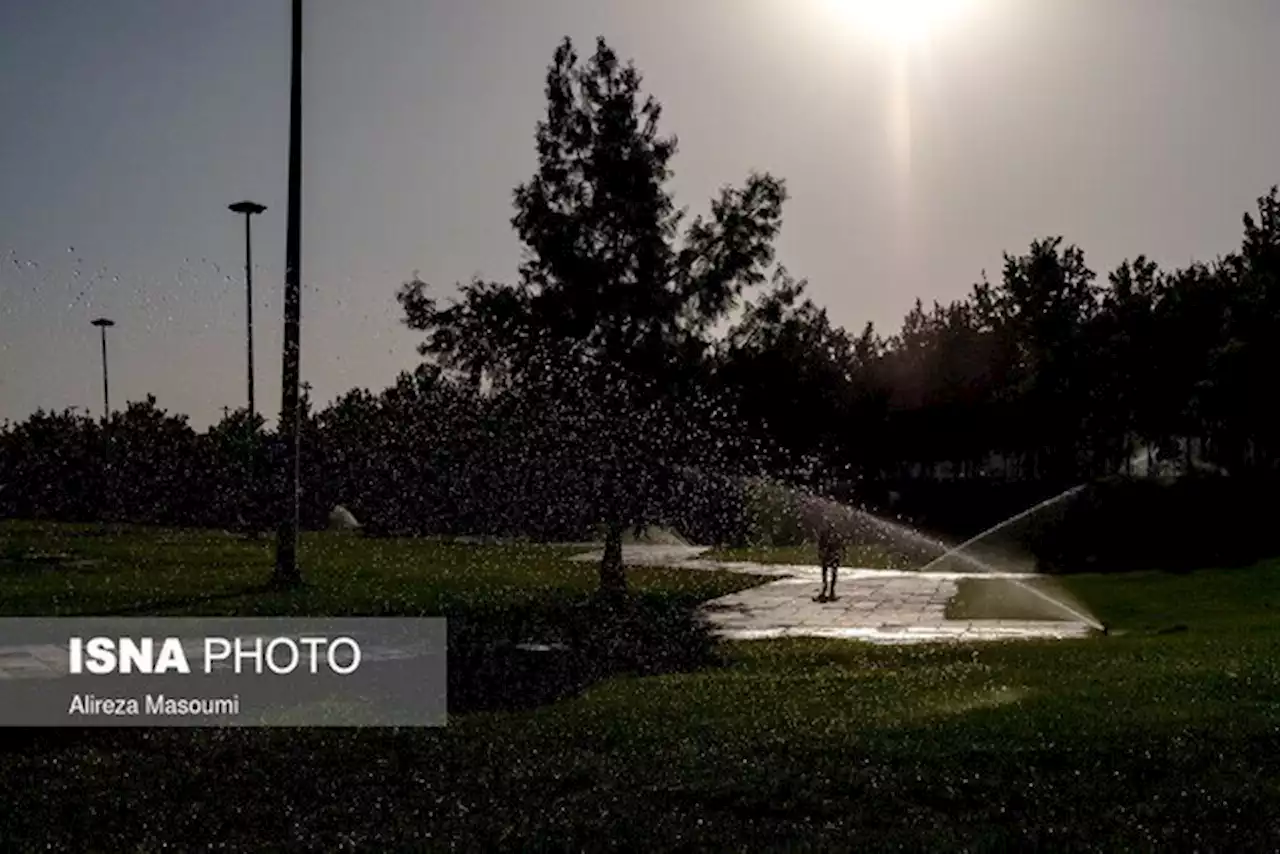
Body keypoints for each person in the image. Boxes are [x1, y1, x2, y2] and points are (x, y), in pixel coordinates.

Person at [815, 526, 844, 602]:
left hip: (829, 554)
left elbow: (820, 545)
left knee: (828, 571)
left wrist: (821, 553)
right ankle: (829, 591)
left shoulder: (830, 534)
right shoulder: (835, 534)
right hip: (831, 554)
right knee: (831, 571)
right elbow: (840, 545)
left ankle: (828, 591)